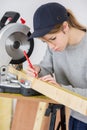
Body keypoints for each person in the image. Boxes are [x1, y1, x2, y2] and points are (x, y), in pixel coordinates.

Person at [27, 2, 87, 130]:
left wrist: (61, 89)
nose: (51, 47)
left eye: (52, 39)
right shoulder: (55, 46)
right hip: (76, 114)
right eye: (45, 42)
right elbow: (46, 68)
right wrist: (37, 70)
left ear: (65, 27)